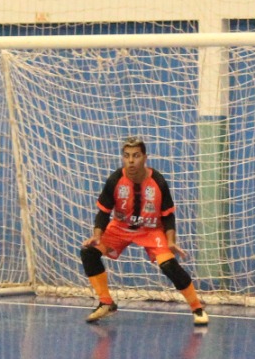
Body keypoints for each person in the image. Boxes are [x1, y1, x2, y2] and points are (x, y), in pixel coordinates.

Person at [81, 136, 208, 326]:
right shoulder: (115, 180)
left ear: (145, 157)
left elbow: (167, 215)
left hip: (151, 230)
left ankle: (197, 308)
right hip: (120, 228)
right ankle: (106, 303)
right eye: (126, 156)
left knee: (169, 265)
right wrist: (97, 235)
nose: (131, 161)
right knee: (89, 253)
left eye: (136, 156)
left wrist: (171, 241)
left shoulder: (158, 181)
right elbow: (104, 212)